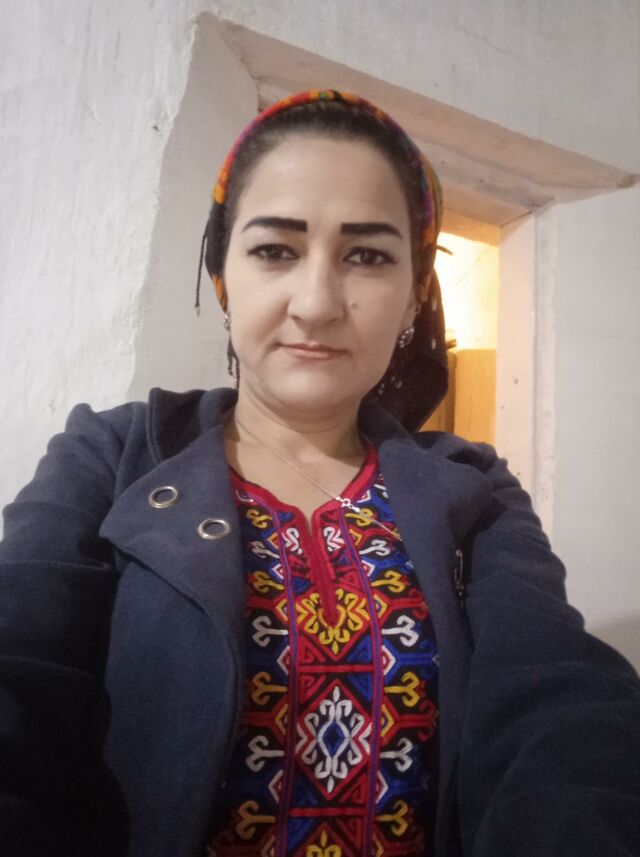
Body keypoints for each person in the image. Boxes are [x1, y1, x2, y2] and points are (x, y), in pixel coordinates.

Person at [0, 89, 638, 857]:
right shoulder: (111, 458)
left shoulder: (475, 490)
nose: (317, 302)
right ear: (223, 273)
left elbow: (558, 707)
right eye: (276, 249)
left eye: (367, 255)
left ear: (414, 294)